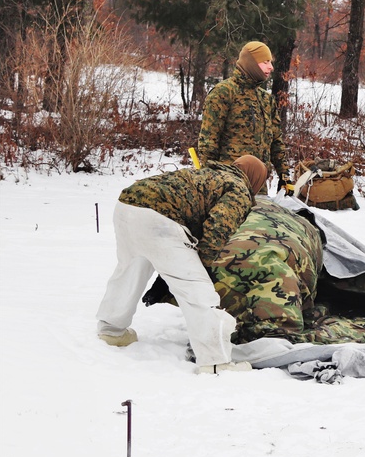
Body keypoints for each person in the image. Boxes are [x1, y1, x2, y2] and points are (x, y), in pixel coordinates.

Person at [95, 155, 269, 374]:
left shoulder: (211, 173)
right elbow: (218, 227)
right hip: (159, 218)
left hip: (128, 204)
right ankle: (215, 361)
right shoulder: (239, 189)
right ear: (255, 178)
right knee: (196, 290)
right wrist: (202, 268)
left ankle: (111, 330)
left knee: (130, 269)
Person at [197, 41, 289, 189]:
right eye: (265, 62)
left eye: (270, 62)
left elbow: (276, 141)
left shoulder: (266, 99)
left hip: (258, 185)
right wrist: (210, 181)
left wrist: (284, 175)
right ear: (251, 62)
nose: (271, 67)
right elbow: (209, 141)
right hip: (228, 184)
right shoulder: (224, 92)